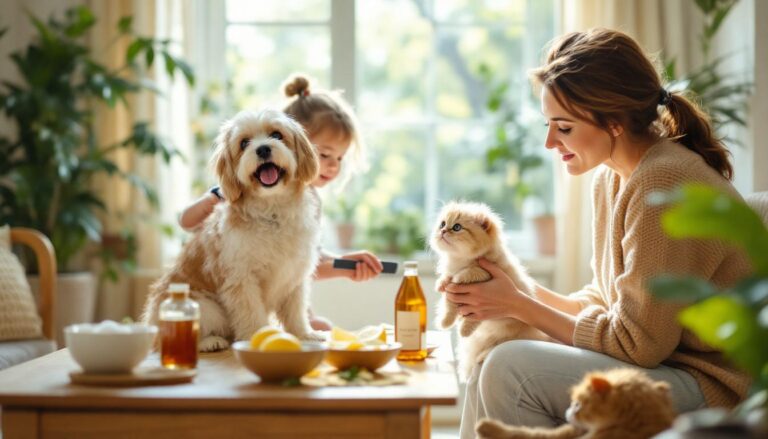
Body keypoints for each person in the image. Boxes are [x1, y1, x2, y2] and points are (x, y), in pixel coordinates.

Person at [442, 28, 752, 438]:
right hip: (666, 367)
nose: (550, 141)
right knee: (491, 355)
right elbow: (608, 302)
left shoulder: (664, 181)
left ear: (614, 121)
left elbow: (638, 343)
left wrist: (519, 305)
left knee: (510, 368)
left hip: (715, 387)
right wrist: (510, 293)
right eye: (549, 124)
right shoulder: (613, 177)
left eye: (564, 127)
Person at [179, 74, 384, 330]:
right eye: (325, 154)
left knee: (320, 328)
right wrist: (215, 196)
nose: (332, 165)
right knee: (318, 327)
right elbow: (186, 221)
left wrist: (345, 264)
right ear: (303, 144)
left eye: (340, 158)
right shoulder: (234, 198)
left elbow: (302, 262)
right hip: (221, 302)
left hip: (280, 300)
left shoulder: (309, 202)